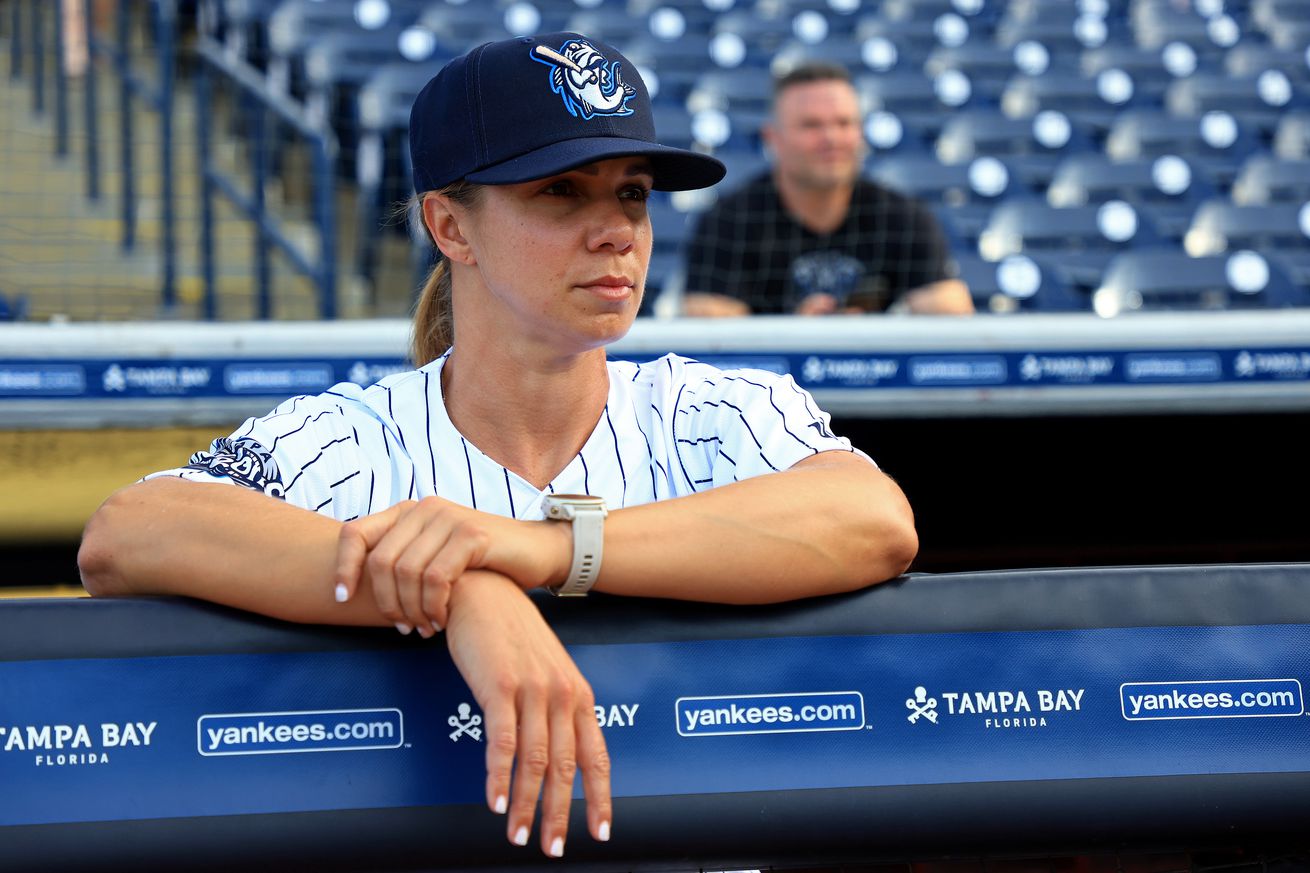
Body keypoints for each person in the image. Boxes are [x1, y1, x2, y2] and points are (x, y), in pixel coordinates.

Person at [78, 34, 918, 860]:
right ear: (451, 226)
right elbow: (128, 533)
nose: (616, 230)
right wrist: (465, 595)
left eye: (631, 193)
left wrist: (542, 549)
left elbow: (874, 520)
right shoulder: (355, 437)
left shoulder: (706, 407)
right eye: (560, 191)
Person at [681, 62, 975, 317]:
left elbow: (951, 318)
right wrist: (800, 339)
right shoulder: (729, 221)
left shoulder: (904, 217)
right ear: (773, 138)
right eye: (812, 125)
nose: (832, 138)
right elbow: (709, 331)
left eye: (844, 123)